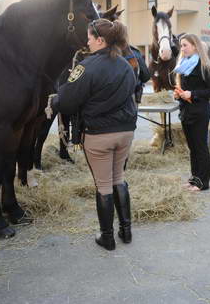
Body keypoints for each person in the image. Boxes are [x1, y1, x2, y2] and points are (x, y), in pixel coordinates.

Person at [51, 18, 137, 251]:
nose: (87, 42)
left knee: (104, 185)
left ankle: (107, 237)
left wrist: (56, 100)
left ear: (100, 40)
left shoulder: (86, 67)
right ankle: (126, 231)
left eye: (89, 37)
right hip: (126, 131)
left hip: (98, 134)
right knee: (118, 178)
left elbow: (67, 101)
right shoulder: (125, 65)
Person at [173, 34, 210, 192]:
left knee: (200, 147)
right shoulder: (183, 65)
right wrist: (179, 94)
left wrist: (192, 94)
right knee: (192, 147)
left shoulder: (204, 65)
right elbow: (185, 89)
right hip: (186, 112)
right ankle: (194, 179)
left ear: (194, 46)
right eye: (181, 45)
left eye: (185, 45)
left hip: (200, 112)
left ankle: (203, 183)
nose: (182, 48)